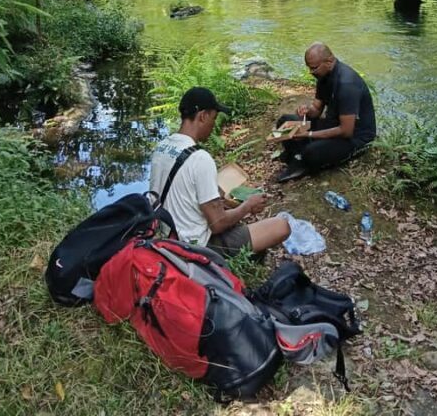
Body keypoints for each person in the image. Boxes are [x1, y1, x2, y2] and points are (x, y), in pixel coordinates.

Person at [150, 86, 290, 257]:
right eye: (214, 118)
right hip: (194, 247)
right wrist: (247, 206)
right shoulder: (200, 158)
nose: (213, 124)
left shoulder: (162, 148)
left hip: (164, 238)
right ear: (203, 116)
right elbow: (217, 223)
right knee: (281, 226)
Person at [275, 43, 376, 183]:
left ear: (329, 62)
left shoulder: (347, 84)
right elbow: (316, 111)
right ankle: (298, 155)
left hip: (355, 137)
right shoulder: (323, 77)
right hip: (332, 124)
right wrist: (307, 110)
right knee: (285, 122)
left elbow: (346, 131)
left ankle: (303, 160)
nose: (310, 72)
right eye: (309, 68)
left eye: (314, 68)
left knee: (311, 152)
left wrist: (308, 134)